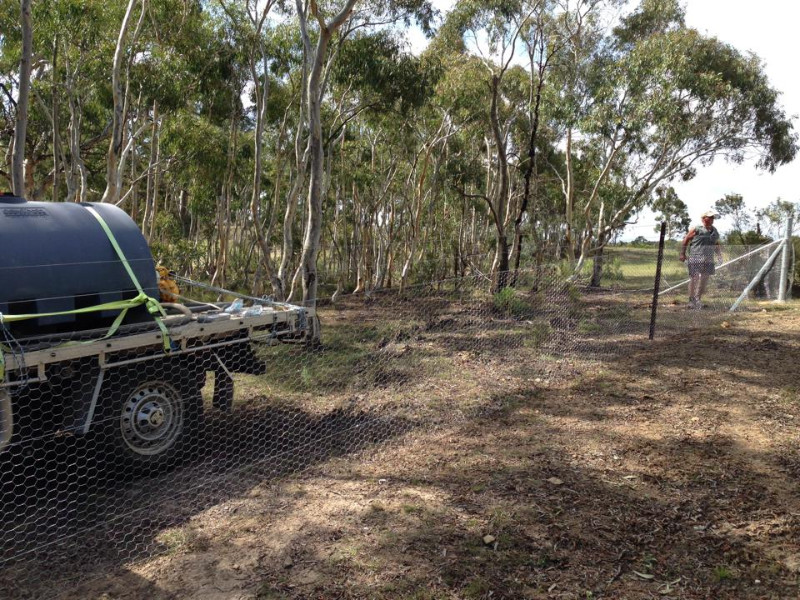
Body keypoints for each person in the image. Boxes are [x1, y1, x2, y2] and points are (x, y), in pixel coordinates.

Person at [679, 210, 723, 309]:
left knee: (704, 279)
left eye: (713, 217)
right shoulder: (697, 229)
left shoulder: (714, 231)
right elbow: (686, 240)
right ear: (703, 219)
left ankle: (698, 299)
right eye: (710, 217)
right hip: (695, 257)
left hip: (709, 259)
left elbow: (716, 244)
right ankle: (691, 301)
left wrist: (719, 256)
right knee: (694, 278)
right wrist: (682, 253)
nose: (712, 219)